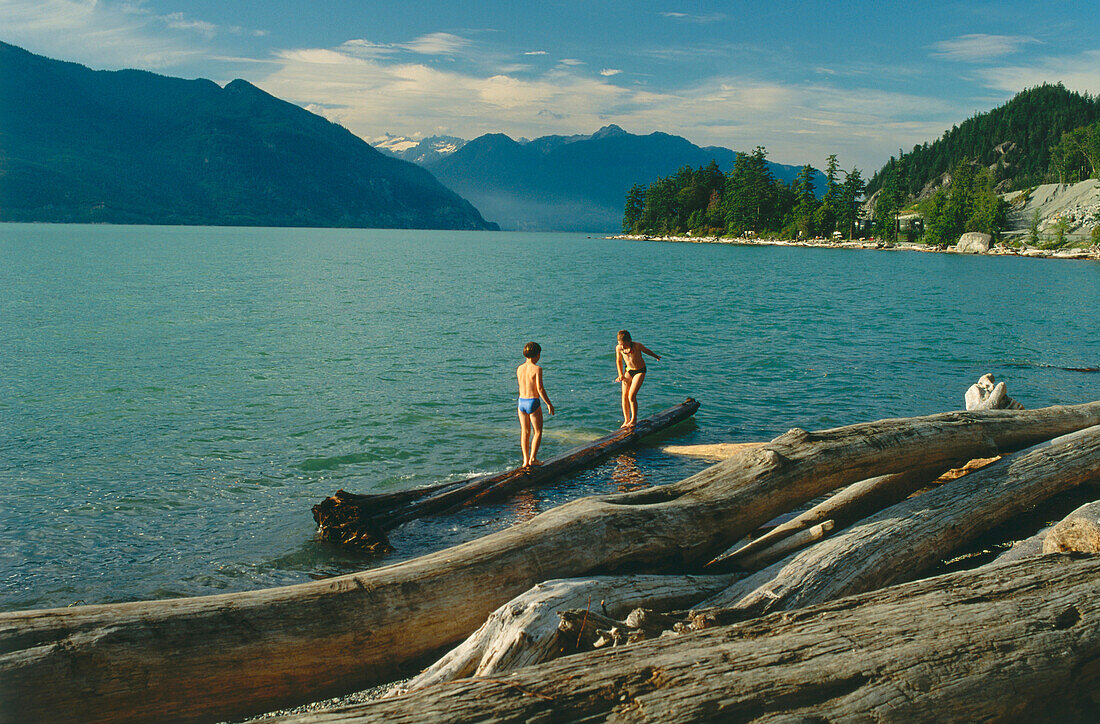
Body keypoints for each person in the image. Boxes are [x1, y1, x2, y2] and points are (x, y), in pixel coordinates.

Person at [517, 341, 555, 467]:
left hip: (521, 402)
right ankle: (533, 459)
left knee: (525, 431)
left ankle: (525, 460)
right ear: (537, 355)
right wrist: (548, 403)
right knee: (537, 431)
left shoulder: (519, 368)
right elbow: (540, 389)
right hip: (533, 402)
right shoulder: (537, 369)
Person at [615, 329, 660, 428]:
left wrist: (656, 356)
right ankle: (626, 420)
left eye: (624, 344)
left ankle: (633, 420)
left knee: (631, 396)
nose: (622, 346)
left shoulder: (637, 346)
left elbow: (646, 351)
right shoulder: (619, 348)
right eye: (620, 344)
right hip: (628, 371)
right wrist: (620, 374)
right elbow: (618, 361)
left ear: (629, 341)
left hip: (640, 371)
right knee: (624, 396)